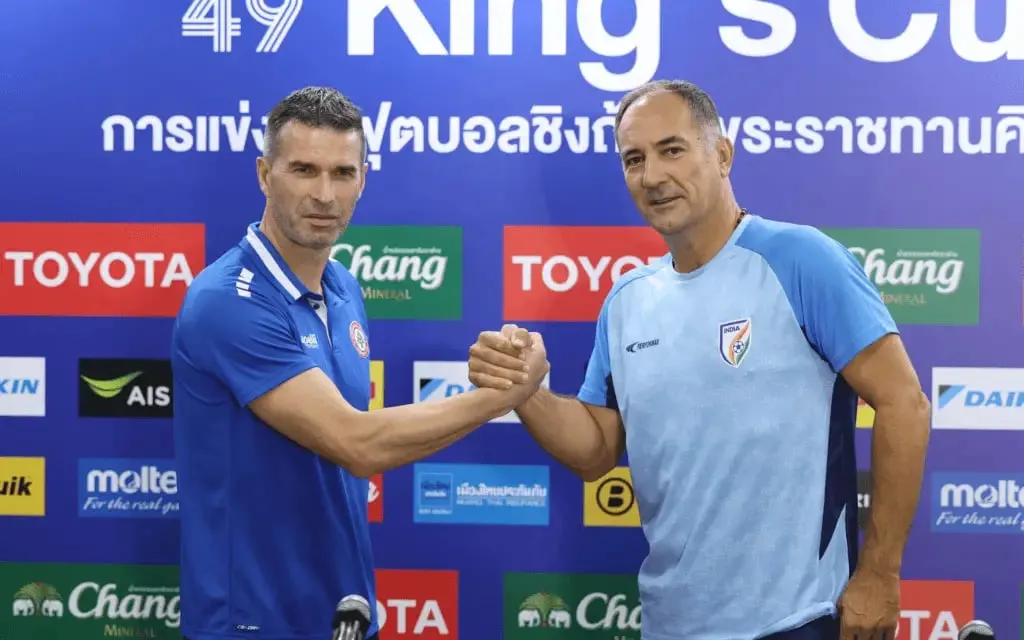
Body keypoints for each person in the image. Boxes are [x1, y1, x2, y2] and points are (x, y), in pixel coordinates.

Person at [468, 80, 931, 640]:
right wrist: (528, 392)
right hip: (670, 623)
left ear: (722, 154)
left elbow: (904, 403)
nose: (653, 175)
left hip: (794, 620)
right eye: (633, 159)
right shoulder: (626, 301)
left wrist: (880, 574)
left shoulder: (801, 258)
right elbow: (594, 450)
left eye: (672, 149)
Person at [170, 86, 544, 640]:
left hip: (341, 612)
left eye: (343, 174)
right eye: (303, 170)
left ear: (363, 180)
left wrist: (501, 372)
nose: (324, 194)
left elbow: (350, 447)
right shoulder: (226, 301)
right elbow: (359, 444)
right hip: (251, 620)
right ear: (263, 175)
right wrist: (501, 396)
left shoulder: (343, 287)